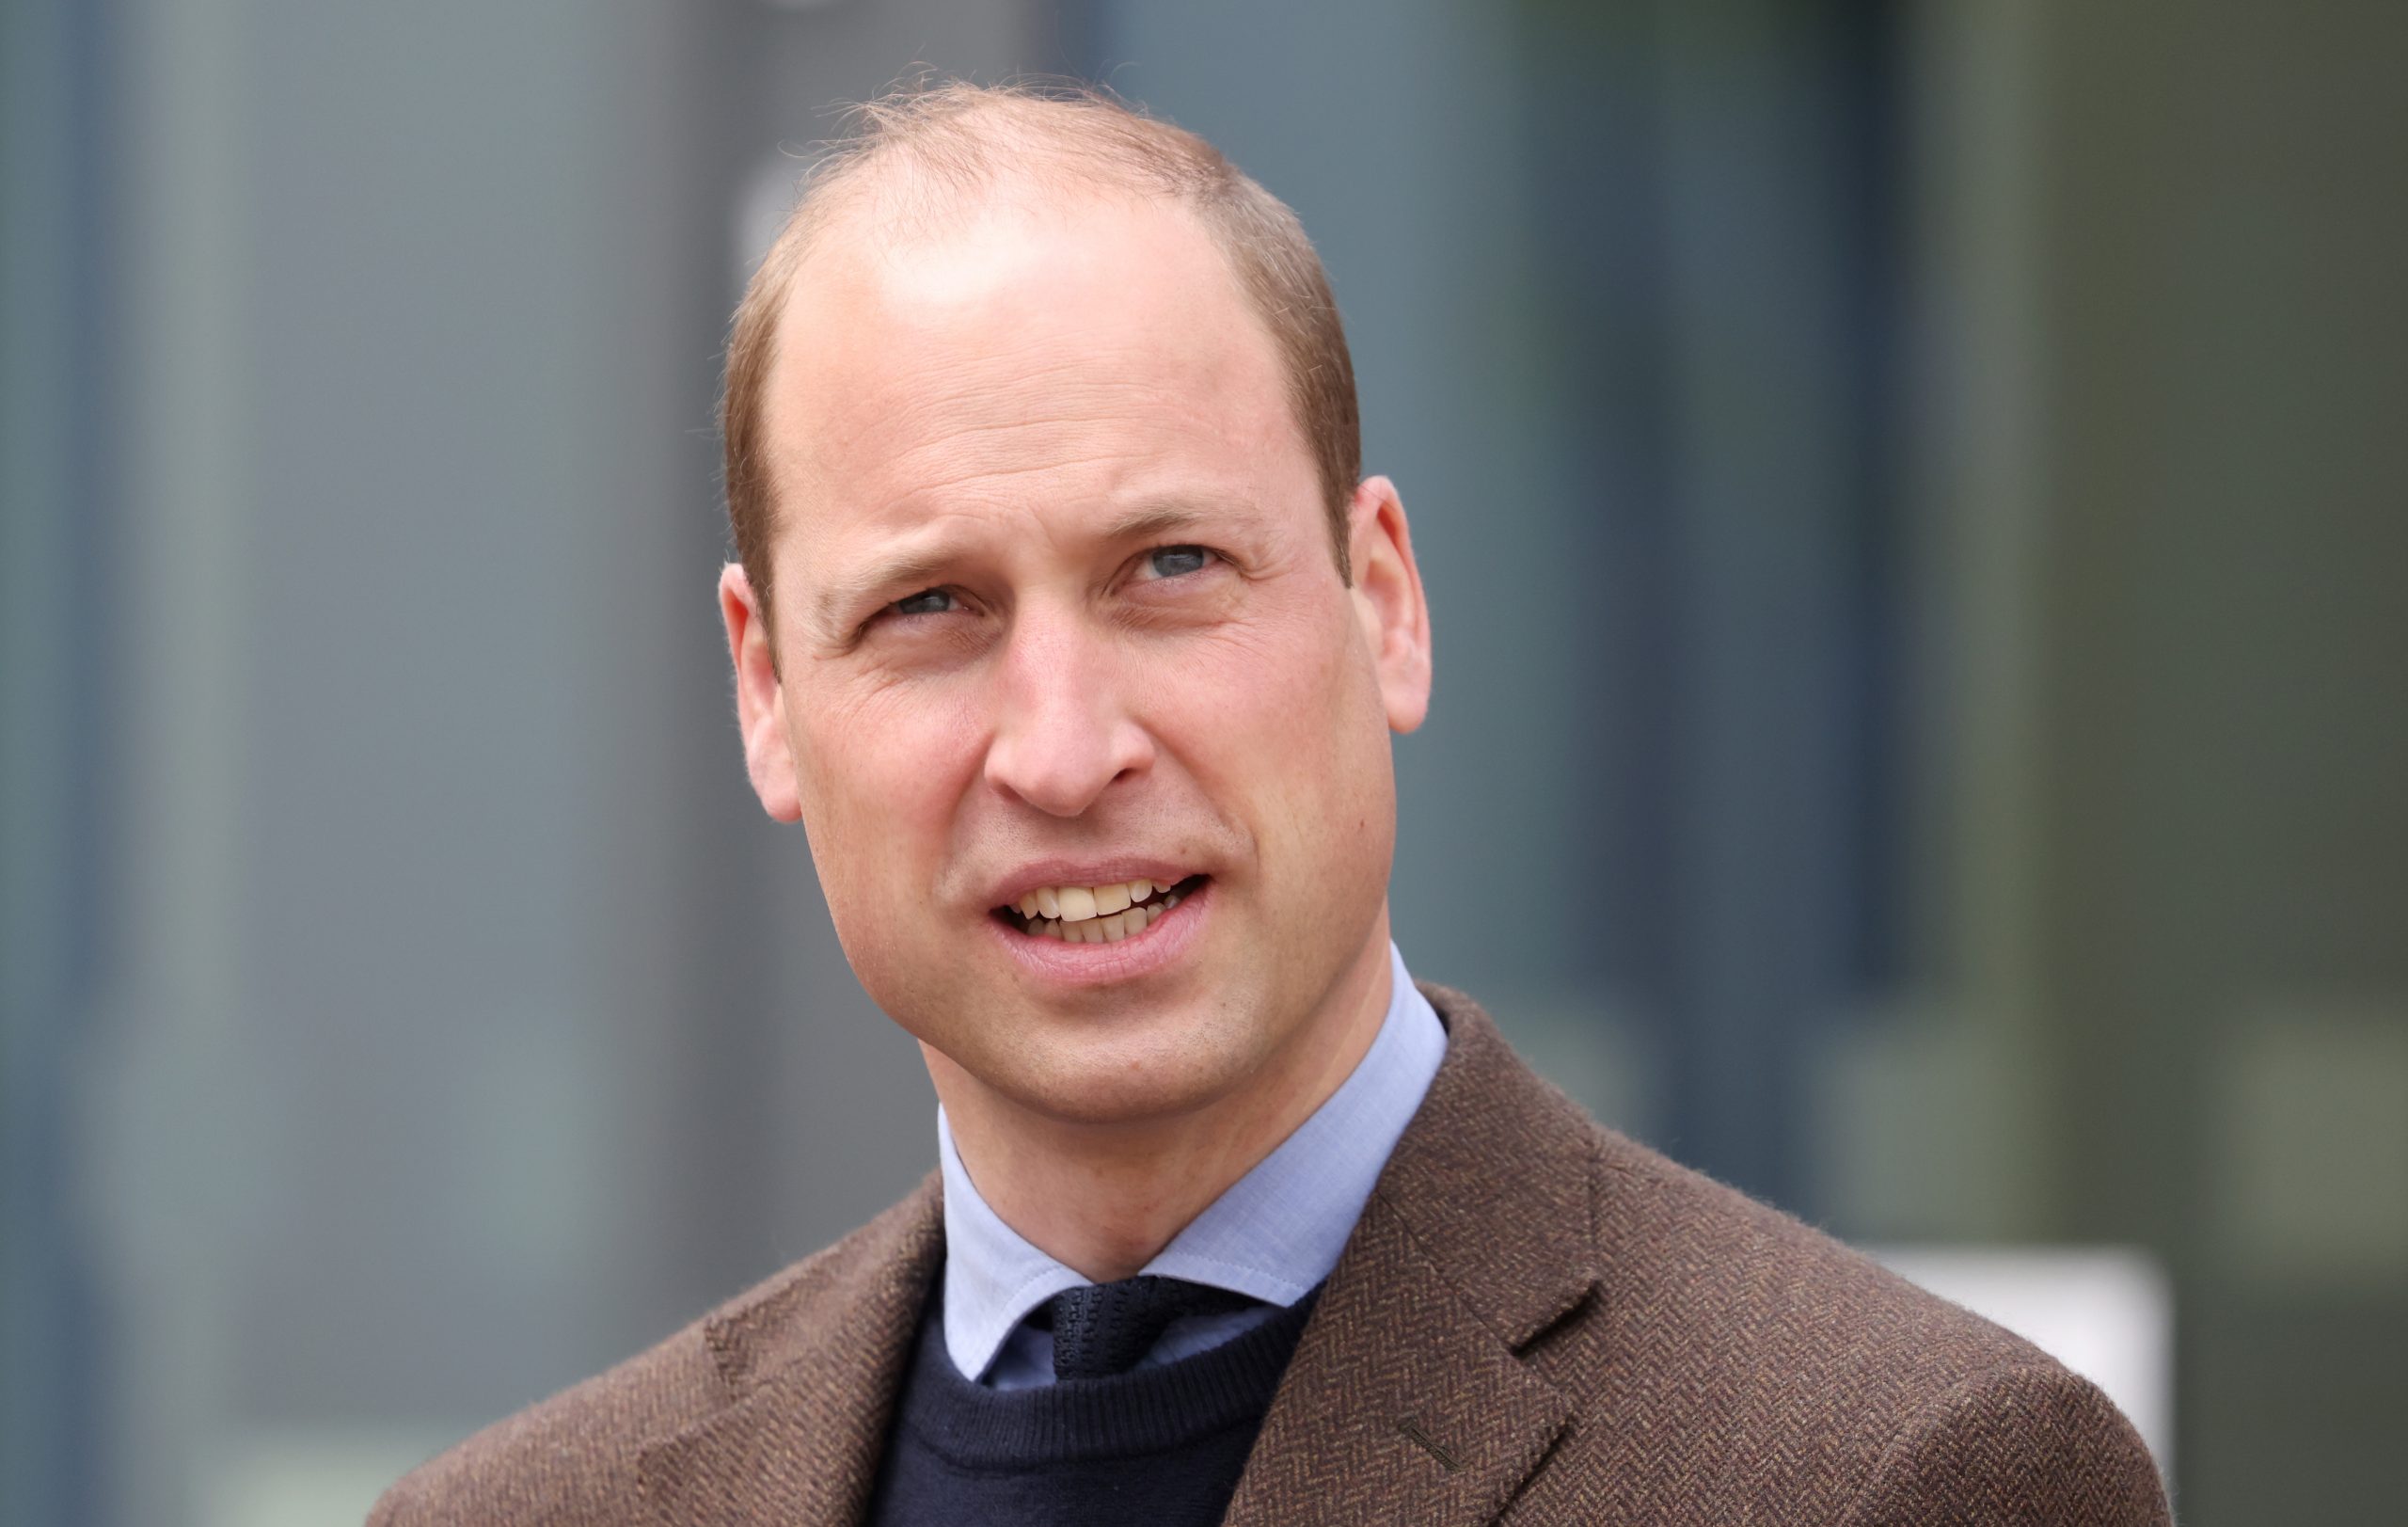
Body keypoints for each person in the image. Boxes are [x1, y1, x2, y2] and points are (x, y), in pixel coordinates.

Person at [372, 82, 2171, 1526]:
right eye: (932, 610)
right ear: (768, 691)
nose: (1064, 750)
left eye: (1169, 567)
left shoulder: (1900, 1479)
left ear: (1382, 598)